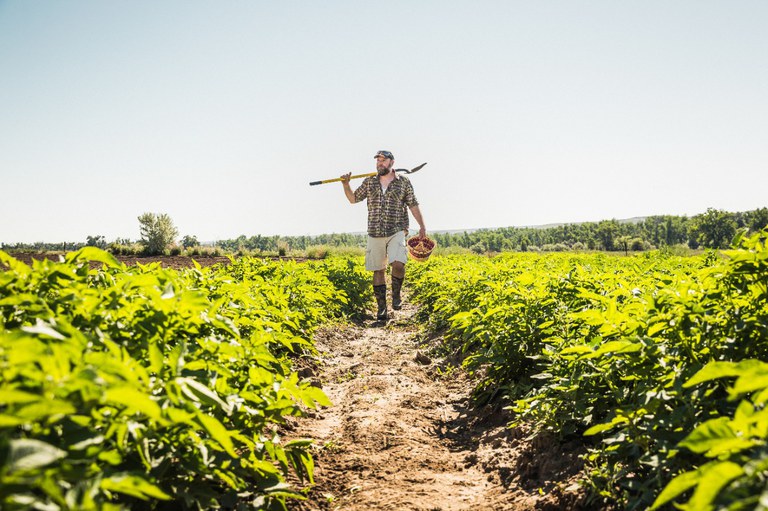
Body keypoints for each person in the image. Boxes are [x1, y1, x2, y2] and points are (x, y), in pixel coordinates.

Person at [341, 150, 426, 321]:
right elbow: (353, 199)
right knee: (378, 270)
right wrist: (345, 184)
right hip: (374, 231)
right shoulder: (369, 182)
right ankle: (381, 309)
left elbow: (413, 204)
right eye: (378, 160)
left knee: (398, 263)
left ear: (392, 162)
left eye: (383, 160)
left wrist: (422, 226)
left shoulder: (403, 182)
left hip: (397, 229)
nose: (379, 163)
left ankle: (396, 296)